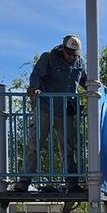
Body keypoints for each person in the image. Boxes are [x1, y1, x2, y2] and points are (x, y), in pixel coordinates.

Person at [12, 35, 88, 192]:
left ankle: (71, 183)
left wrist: (95, 92)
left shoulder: (79, 63)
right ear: (62, 49)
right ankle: (25, 181)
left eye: (75, 54)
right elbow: (36, 75)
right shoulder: (48, 58)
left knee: (68, 148)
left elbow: (85, 81)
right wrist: (34, 88)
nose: (72, 57)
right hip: (45, 108)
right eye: (69, 53)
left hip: (66, 110)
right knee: (35, 144)